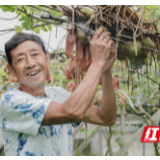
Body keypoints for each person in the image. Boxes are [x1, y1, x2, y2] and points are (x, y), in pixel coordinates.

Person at [0, 28, 117, 156]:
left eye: (35, 54)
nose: (30, 63)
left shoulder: (59, 95)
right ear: (11, 71)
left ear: (47, 58)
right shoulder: (10, 101)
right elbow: (71, 112)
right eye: (21, 59)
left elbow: (106, 118)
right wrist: (98, 62)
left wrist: (105, 71)